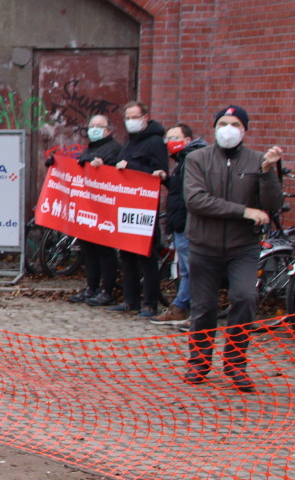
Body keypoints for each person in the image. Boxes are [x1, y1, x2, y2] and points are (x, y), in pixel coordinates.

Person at [182, 105, 283, 393]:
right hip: (204, 245)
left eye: (235, 124)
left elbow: (273, 205)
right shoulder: (197, 158)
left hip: (243, 247)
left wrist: (266, 173)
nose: (228, 128)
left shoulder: (256, 160)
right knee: (203, 307)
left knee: (244, 297)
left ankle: (235, 364)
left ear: (244, 130)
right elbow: (196, 200)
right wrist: (244, 211)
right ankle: (199, 361)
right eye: (223, 123)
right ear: (215, 128)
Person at [109, 101, 169, 317]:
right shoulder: (130, 142)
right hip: (127, 206)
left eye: (135, 117)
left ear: (145, 118)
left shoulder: (155, 142)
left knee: (147, 257)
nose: (131, 122)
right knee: (126, 255)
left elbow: (160, 173)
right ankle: (130, 300)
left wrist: (132, 167)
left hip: (144, 208)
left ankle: (150, 303)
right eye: (128, 118)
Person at [67, 114, 124, 306]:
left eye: (99, 126)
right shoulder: (91, 148)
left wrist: (103, 166)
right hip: (88, 207)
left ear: (108, 129)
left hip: (104, 209)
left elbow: (115, 175)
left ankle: (107, 290)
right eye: (92, 125)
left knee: (104, 251)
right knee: (89, 250)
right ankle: (92, 287)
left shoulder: (114, 149)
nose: (94, 129)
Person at [154, 123, 205, 325]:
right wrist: (166, 179)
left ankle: (186, 308)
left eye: (175, 137)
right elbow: (179, 189)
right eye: (168, 138)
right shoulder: (183, 160)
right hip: (179, 221)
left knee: (191, 269)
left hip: (186, 222)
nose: (170, 142)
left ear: (187, 140)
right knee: (186, 269)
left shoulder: (193, 159)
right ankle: (181, 307)